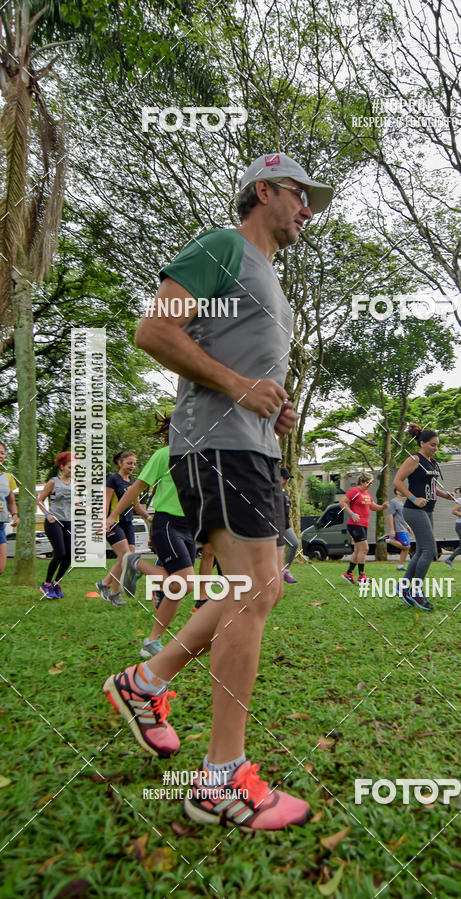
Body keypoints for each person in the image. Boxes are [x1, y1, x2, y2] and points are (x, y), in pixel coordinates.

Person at [104, 152, 333, 830]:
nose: (308, 210)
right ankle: (220, 779)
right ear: (263, 190)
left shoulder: (270, 280)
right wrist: (238, 389)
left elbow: (242, 371)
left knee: (260, 587)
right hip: (217, 446)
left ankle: (144, 682)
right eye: (299, 194)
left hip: (251, 446)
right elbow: (153, 329)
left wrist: (272, 405)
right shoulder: (222, 247)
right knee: (253, 590)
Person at [105, 416, 197, 657]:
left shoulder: (205, 458)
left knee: (178, 586)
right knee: (185, 582)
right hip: (167, 523)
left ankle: (152, 641)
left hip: (190, 528)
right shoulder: (163, 455)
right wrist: (113, 515)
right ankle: (133, 562)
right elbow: (136, 489)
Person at [393, 424, 456, 610]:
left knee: (421, 551)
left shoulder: (431, 462)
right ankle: (416, 592)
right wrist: (413, 497)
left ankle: (404, 587)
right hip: (414, 509)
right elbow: (397, 481)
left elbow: (429, 486)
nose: (436, 448)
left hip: (428, 510)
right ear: (422, 443)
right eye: (432, 445)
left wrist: (445, 495)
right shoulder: (415, 459)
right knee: (429, 551)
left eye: (437, 445)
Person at [96, 451, 151, 606]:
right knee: (125, 557)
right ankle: (111, 590)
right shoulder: (113, 479)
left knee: (128, 558)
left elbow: (137, 506)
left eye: (134, 463)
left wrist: (149, 517)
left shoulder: (133, 483)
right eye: (129, 463)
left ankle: (108, 588)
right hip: (113, 522)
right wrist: (104, 522)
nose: (132, 466)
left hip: (128, 523)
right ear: (120, 463)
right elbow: (105, 502)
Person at [339, 473, 388, 586]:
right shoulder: (355, 491)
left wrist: (382, 507)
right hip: (355, 524)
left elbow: (373, 506)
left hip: (363, 525)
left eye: (371, 483)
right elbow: (342, 503)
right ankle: (361, 577)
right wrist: (352, 514)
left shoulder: (366, 494)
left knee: (358, 550)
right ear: (362, 481)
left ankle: (349, 574)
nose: (370, 485)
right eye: (369, 482)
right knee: (365, 548)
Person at [37, 452, 73, 599]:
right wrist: (47, 514)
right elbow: (39, 500)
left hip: (68, 522)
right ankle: (46, 584)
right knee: (60, 553)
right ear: (62, 466)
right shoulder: (53, 482)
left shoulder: (74, 483)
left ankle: (56, 583)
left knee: (69, 556)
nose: (73, 470)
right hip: (54, 522)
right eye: (70, 467)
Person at [0, 440, 19, 577]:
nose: (1, 456)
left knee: (1, 566)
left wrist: (15, 515)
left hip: (1, 524)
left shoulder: (8, 477)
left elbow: (11, 501)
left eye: (2, 453)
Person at [386, 487, 413, 571]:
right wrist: (392, 529)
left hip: (404, 527)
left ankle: (400, 566)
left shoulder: (401, 502)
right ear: (398, 492)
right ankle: (387, 540)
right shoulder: (393, 502)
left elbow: (402, 517)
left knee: (406, 548)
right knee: (406, 546)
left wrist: (408, 526)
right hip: (398, 528)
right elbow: (390, 515)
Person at [280, 468, 299, 583]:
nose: (287, 481)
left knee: (294, 543)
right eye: (285, 478)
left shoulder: (284, 491)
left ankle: (285, 571)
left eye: (288, 479)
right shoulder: (274, 492)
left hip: (286, 526)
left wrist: (288, 516)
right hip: (277, 527)